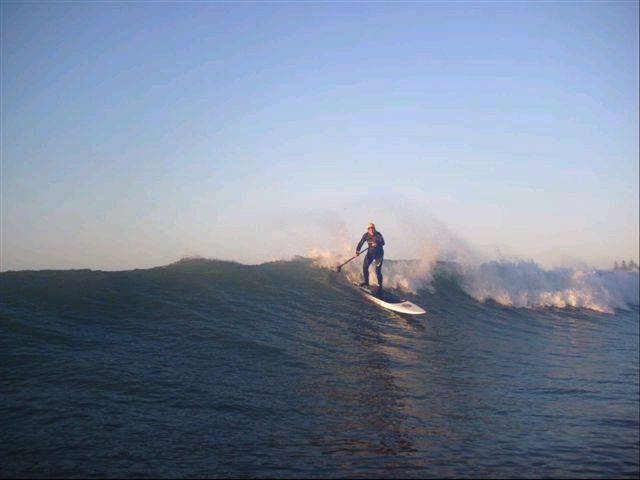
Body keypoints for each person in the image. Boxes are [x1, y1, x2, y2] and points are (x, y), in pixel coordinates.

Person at [356, 222, 385, 289]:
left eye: (372, 228)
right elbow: (361, 243)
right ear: (368, 229)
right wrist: (357, 251)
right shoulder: (366, 235)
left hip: (379, 255)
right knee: (365, 267)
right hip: (370, 253)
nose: (371, 230)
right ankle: (366, 282)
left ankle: (380, 285)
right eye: (369, 229)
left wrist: (377, 244)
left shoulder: (378, 235)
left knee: (377, 271)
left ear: (374, 229)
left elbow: (383, 243)